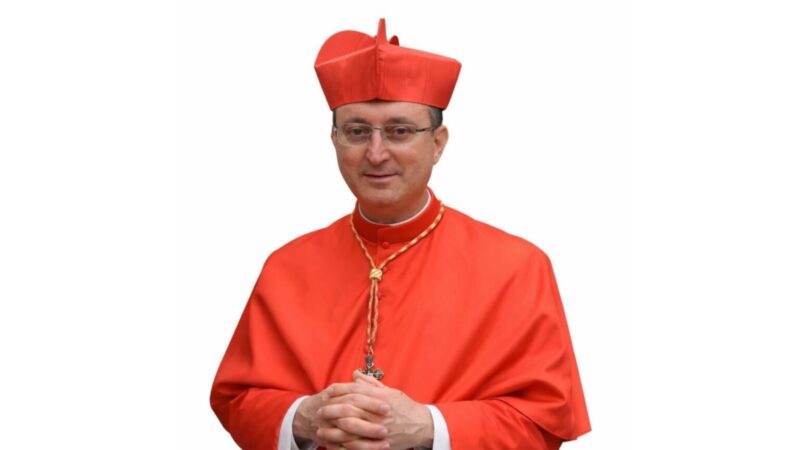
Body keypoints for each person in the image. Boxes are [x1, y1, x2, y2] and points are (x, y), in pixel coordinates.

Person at [210, 18, 591, 450]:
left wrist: (429, 426)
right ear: (334, 140)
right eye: (357, 131)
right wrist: (304, 418)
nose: (376, 153)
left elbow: (544, 421)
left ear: (438, 143)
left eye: (399, 131)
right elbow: (236, 400)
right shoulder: (286, 265)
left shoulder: (518, 267)